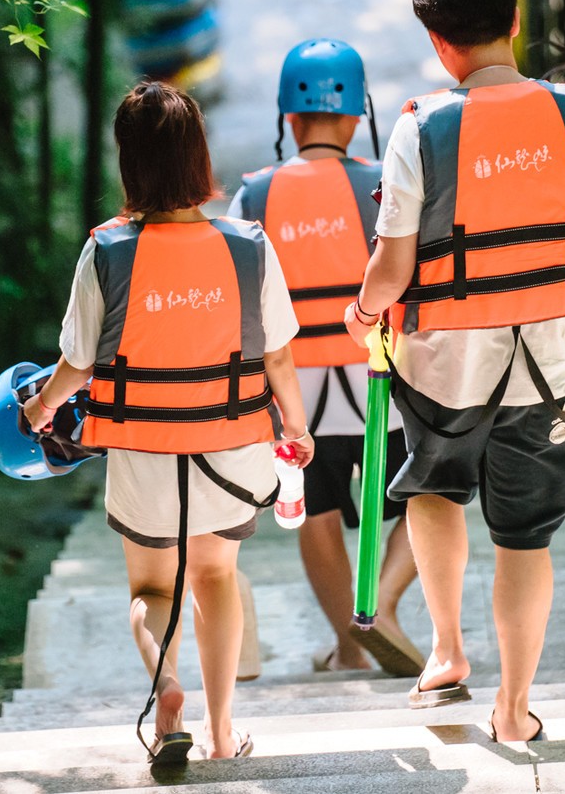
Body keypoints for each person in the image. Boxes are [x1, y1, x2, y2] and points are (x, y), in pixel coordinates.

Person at [344, 0, 565, 743]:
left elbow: (393, 262)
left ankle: (446, 651)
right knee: (525, 536)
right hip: (553, 360)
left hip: (446, 363)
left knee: (437, 492)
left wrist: (362, 309)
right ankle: (514, 707)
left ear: (440, 44)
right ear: (517, 24)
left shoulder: (419, 128)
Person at [25, 81, 315, 763]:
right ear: (197, 156)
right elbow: (276, 352)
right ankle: (219, 732)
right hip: (233, 443)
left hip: (144, 448)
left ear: (129, 161)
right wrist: (295, 429)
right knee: (216, 578)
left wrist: (40, 409)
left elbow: (76, 363)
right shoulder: (249, 245)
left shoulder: (106, 250)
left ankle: (166, 697)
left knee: (154, 589)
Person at [229, 38, 424, 677]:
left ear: (289, 116)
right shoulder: (383, 183)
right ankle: (381, 609)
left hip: (296, 399)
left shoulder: (253, 199)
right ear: (357, 115)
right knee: (429, 497)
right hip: (383, 382)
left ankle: (350, 647)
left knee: (315, 512)